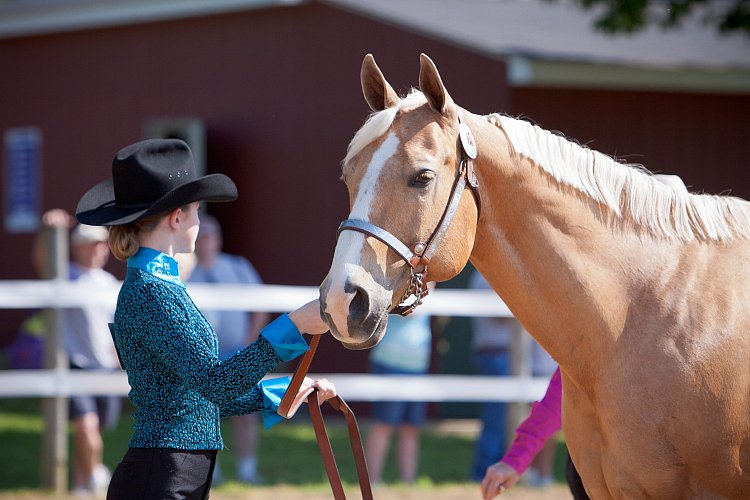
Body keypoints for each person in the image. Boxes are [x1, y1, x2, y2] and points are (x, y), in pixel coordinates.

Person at [75, 138, 335, 499]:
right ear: (177, 217)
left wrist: (284, 393)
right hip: (163, 477)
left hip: (172, 474)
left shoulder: (161, 285)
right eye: (197, 210)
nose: (199, 219)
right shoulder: (152, 291)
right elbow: (216, 384)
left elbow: (201, 396)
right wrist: (293, 326)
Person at [188, 214, 270, 484]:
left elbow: (261, 305)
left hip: (239, 351)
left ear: (219, 239)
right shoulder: (188, 277)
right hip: (207, 359)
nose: (206, 240)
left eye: (211, 235)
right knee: (206, 415)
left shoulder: (237, 267)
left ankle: (248, 470)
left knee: (245, 413)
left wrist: (249, 345)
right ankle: (211, 472)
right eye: (201, 236)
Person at [364, 306, 433, 485]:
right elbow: (409, 311)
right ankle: (372, 481)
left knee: (411, 428)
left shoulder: (429, 285)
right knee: (383, 425)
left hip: (418, 366)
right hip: (390, 362)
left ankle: (408, 483)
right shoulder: (402, 279)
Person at [468, 269, 512, 481]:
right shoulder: (487, 277)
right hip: (495, 354)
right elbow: (499, 316)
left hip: (498, 354)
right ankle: (485, 470)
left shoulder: (486, 276)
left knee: (501, 418)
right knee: (496, 419)